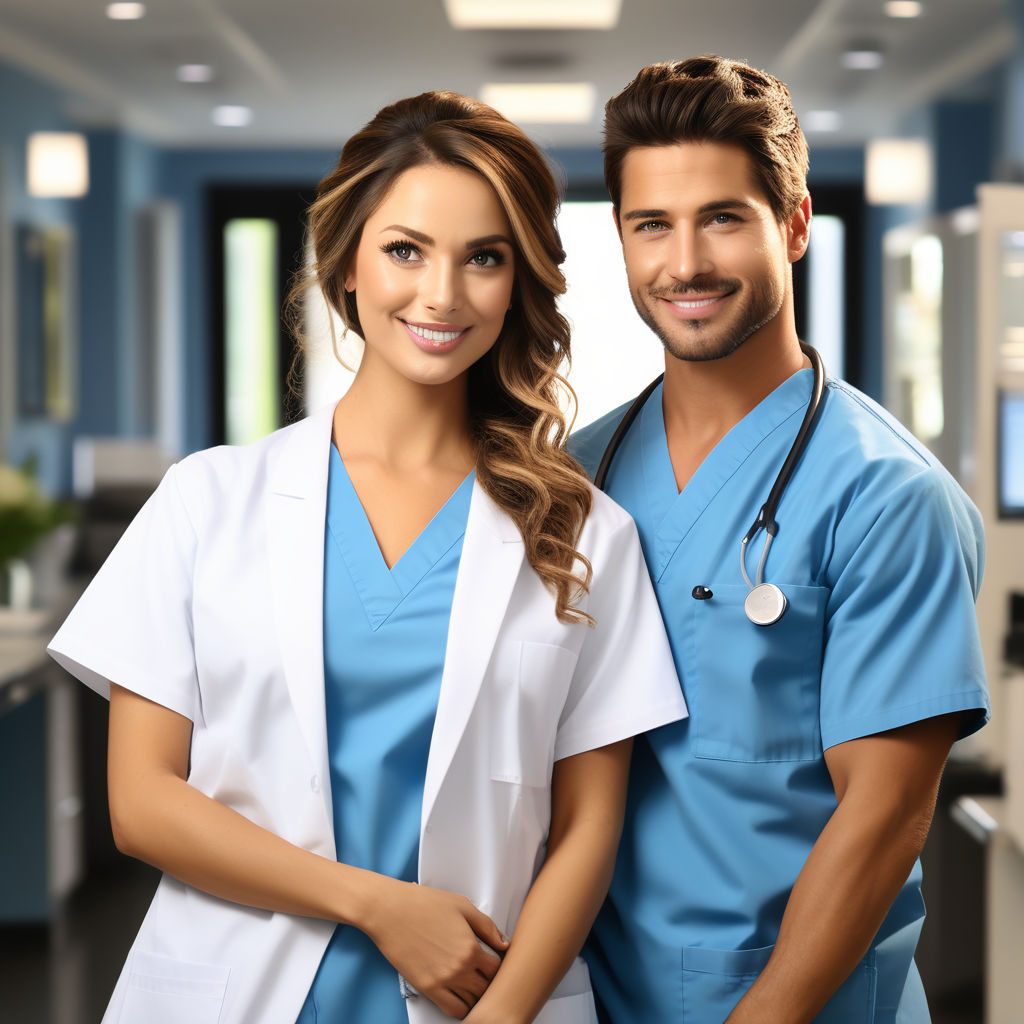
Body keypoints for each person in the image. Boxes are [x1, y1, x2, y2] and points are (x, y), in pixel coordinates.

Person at [47, 91, 687, 1024]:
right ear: (344, 262)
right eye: (405, 250)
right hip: (237, 989)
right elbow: (142, 803)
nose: (442, 294)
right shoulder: (208, 501)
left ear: (518, 284)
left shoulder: (585, 531)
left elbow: (589, 827)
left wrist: (504, 1015)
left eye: (484, 258)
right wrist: (377, 906)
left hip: (484, 1003)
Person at [571, 56, 990, 1023]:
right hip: (594, 989)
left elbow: (883, 818)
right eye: (652, 226)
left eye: (723, 217)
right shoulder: (579, 474)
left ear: (794, 225)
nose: (685, 264)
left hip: (795, 1001)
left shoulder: (885, 497)